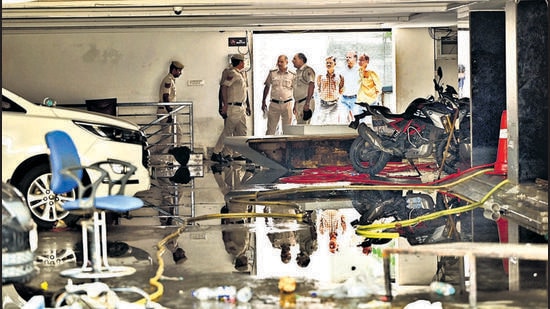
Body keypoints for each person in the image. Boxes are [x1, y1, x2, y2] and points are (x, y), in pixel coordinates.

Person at [211, 54, 252, 163]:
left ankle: (240, 153)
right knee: (228, 132)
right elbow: (224, 87)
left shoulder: (241, 74)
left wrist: (248, 105)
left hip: (241, 107)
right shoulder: (232, 73)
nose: (244, 63)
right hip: (233, 107)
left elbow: (245, 91)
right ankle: (216, 152)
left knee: (242, 132)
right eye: (243, 62)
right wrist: (224, 105)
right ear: (240, 62)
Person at [261, 55, 295, 135]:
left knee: (287, 130)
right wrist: (263, 101)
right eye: (278, 61)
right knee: (270, 130)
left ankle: (286, 147)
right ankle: (269, 147)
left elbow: (296, 90)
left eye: (281, 62)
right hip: (274, 104)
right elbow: (267, 87)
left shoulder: (292, 74)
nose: (279, 63)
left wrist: (296, 104)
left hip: (287, 104)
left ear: (287, 62)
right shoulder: (272, 73)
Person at [156, 60, 184, 157]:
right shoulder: (168, 80)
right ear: (174, 69)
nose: (180, 73)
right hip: (166, 111)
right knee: (168, 136)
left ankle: (173, 153)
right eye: (179, 71)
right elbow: (165, 96)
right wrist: (170, 113)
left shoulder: (171, 80)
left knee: (177, 134)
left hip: (168, 111)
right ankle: (158, 153)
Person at [349, 53, 382, 128]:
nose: (359, 62)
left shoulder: (371, 72)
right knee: (361, 120)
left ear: (367, 61)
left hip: (371, 100)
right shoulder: (359, 71)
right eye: (359, 60)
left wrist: (375, 94)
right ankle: (362, 134)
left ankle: (379, 135)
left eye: (362, 60)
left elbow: (378, 85)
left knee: (376, 119)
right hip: (361, 100)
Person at [314, 56, 344, 125]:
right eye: (327, 63)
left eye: (330, 63)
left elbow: (341, 89)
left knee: (333, 124)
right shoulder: (320, 76)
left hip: (335, 104)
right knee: (320, 124)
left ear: (335, 64)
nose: (328, 64)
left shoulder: (340, 76)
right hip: (323, 104)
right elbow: (319, 88)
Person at [291, 53, 316, 124]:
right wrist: (295, 104)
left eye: (294, 59)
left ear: (301, 60)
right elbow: (297, 89)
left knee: (304, 127)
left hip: (305, 102)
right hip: (299, 103)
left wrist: (307, 103)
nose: (292, 61)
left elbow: (311, 85)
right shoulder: (298, 72)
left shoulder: (307, 70)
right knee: (300, 126)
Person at [340, 51, 361, 122]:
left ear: (355, 59)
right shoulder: (342, 70)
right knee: (343, 119)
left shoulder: (359, 70)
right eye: (347, 57)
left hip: (355, 99)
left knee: (357, 120)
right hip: (343, 99)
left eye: (350, 57)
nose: (347, 59)